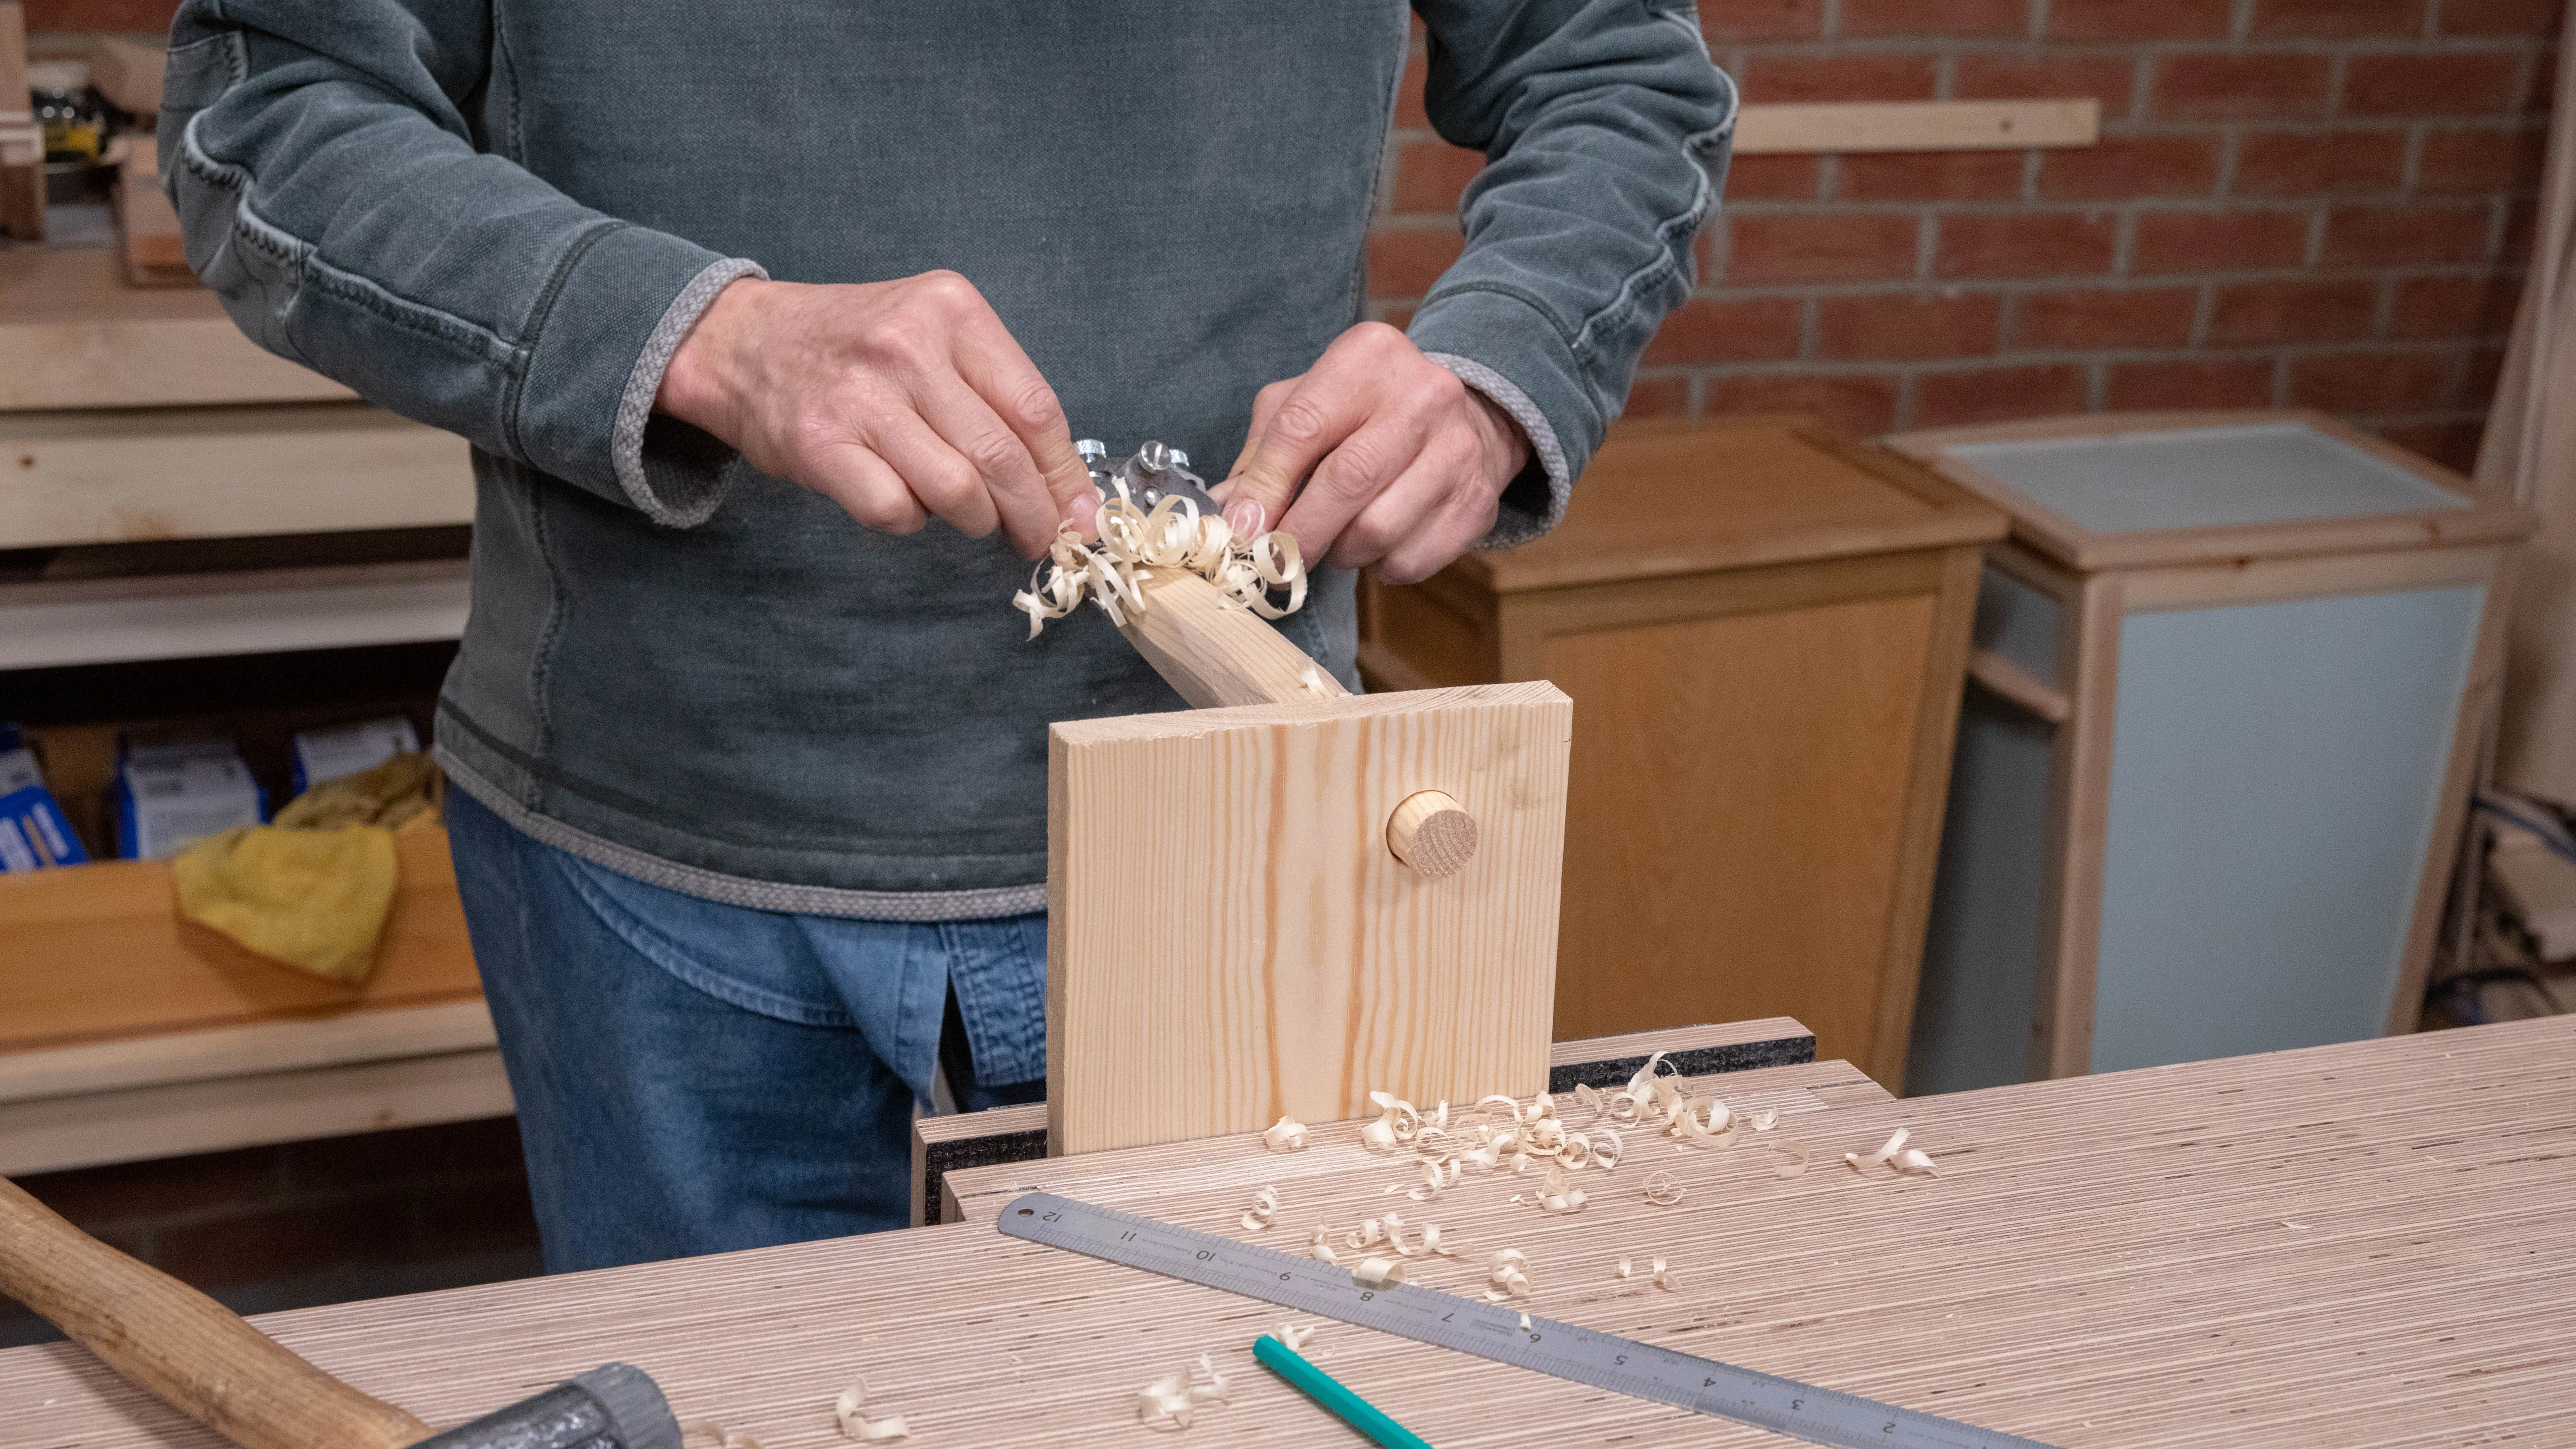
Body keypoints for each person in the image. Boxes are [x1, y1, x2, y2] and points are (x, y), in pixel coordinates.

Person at [162, 1, 1735, 1270]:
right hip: (664, 854)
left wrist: (1497, 361)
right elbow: (271, 120)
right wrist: (699, 334)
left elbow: (1615, 74)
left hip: (1233, 852)